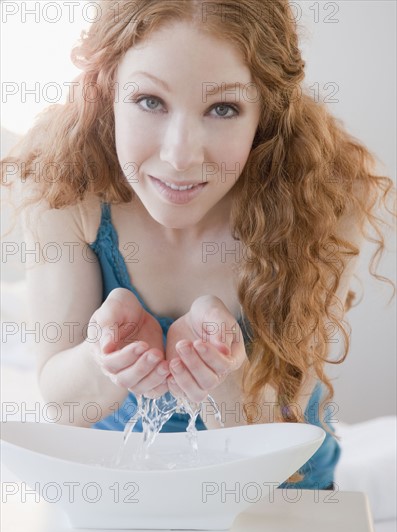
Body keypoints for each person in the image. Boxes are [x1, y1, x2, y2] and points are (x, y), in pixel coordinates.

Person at [1, 0, 395, 490]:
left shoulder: (327, 193)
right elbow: (64, 407)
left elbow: (288, 435)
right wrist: (102, 359)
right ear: (107, 90)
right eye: (149, 101)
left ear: (266, 113)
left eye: (223, 108)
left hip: (278, 491)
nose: (180, 155)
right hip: (117, 485)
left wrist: (223, 384)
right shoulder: (63, 180)